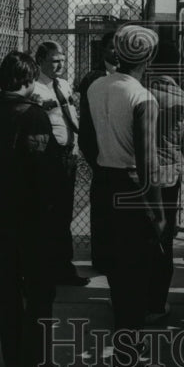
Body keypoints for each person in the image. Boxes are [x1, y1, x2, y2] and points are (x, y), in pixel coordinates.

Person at [0, 51, 75, 367]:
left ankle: (14, 357)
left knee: (9, 285)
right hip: (33, 215)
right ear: (26, 80)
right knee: (38, 289)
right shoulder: (32, 115)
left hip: (4, 211)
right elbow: (43, 170)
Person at [81, 24, 166, 367]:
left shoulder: (95, 86)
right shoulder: (144, 97)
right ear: (149, 56)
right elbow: (148, 164)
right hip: (133, 187)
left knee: (118, 275)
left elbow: (85, 140)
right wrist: (159, 211)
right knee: (136, 278)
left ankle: (129, 352)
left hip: (104, 184)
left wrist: (104, 164)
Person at [31, 40, 88, 286]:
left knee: (64, 213)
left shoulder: (63, 85)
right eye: (55, 60)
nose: (60, 64)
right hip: (48, 159)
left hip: (68, 155)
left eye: (63, 59)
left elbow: (72, 115)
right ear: (41, 61)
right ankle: (47, 267)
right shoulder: (34, 88)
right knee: (48, 214)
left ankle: (63, 267)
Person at [145, 38, 184, 322]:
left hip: (142, 173)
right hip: (169, 175)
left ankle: (138, 297)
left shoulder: (142, 94)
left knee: (142, 236)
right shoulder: (183, 100)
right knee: (165, 239)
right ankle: (158, 303)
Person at [77, 30, 118, 274]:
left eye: (120, 47)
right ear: (103, 50)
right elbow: (87, 126)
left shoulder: (133, 78)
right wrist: (95, 158)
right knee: (102, 209)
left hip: (123, 156)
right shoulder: (92, 79)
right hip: (100, 156)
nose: (116, 51)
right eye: (112, 47)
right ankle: (101, 258)